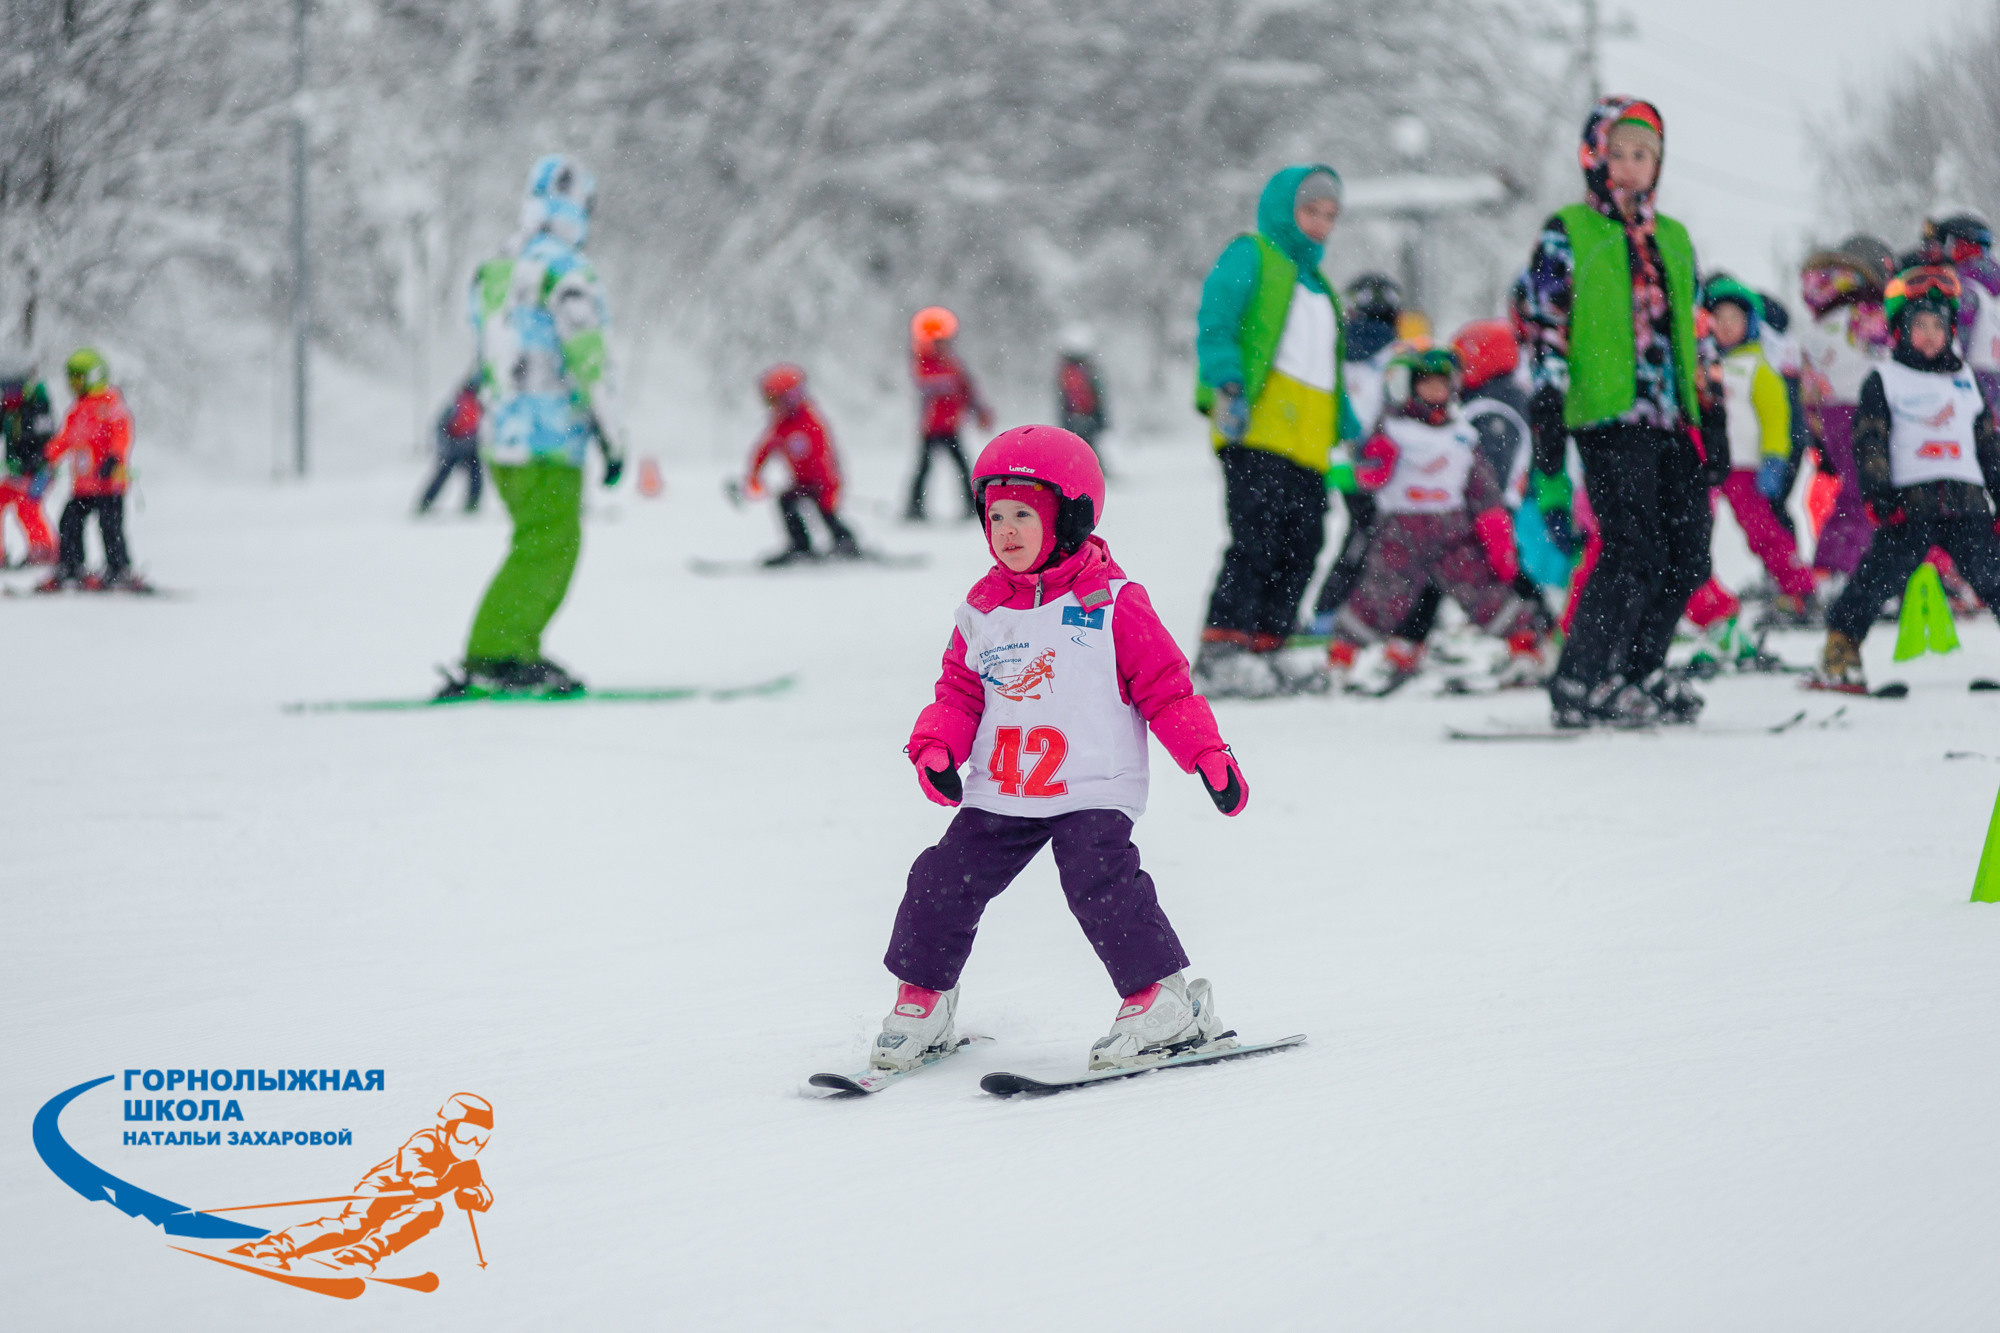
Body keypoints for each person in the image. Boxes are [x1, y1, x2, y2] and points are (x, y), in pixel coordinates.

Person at [876, 425, 1250, 1074]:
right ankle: (924, 997)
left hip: (1091, 784)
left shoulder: (1113, 603)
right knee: (941, 878)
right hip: (1006, 786)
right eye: (995, 516)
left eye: (1024, 514)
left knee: (1098, 880)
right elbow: (960, 692)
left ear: (1070, 517)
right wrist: (936, 745)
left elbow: (1167, 689)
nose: (1007, 531)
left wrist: (1207, 755)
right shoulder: (983, 608)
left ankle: (1161, 999)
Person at [1518, 97, 1719, 727]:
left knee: (1688, 553)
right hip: (1607, 414)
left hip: (1671, 416)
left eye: (1645, 155)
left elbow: (1699, 328)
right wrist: (1547, 397)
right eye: (1621, 154)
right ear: (1596, 158)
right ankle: (1581, 678)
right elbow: (1546, 319)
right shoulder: (1571, 230)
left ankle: (1639, 669)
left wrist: (1710, 408)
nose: (1633, 167)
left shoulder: (1675, 239)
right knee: (1630, 546)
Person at [447, 154, 625, 699]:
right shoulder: (566, 273)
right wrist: (611, 432)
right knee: (550, 543)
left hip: (502, 440)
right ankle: (497, 651)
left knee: (537, 540)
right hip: (551, 439)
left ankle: (512, 646)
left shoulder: (497, 266)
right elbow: (586, 353)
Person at [1192, 164, 1353, 697]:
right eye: (1310, 211)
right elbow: (1217, 319)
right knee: (1255, 539)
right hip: (1257, 427)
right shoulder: (1254, 253)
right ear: (1285, 209)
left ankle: (1269, 642)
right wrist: (1227, 383)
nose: (1320, 225)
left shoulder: (1322, 288)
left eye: (1330, 215)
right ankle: (1222, 649)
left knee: (1304, 543)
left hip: (1308, 441)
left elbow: (1325, 366)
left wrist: (1349, 424)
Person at [1814, 265, 2000, 692]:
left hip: (1966, 500)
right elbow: (1870, 440)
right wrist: (1878, 492)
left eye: (1939, 325)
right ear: (1900, 330)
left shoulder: (1966, 381)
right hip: (1909, 505)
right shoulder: (1885, 379)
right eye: (1920, 325)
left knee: (1993, 577)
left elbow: (1988, 445)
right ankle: (1840, 653)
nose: (1931, 334)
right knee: (1877, 579)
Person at [1326, 348, 1549, 689]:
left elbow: (1483, 493)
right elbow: (1368, 476)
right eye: (1426, 385)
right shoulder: (1393, 428)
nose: (1434, 392)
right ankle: (1340, 660)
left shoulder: (1462, 436)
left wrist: (1497, 537)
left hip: (1453, 534)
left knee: (1486, 592)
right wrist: (1367, 463)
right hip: (1401, 532)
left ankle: (1525, 652)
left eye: (1440, 385)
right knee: (1378, 595)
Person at [1681, 275, 1817, 648]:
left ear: (1749, 325)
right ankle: (1698, 602)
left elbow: (1776, 417)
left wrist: (1775, 459)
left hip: (1744, 466)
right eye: (1718, 320)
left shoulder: (1759, 366)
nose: (1725, 328)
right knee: (1691, 535)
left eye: (1734, 320)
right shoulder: (1703, 365)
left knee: (1763, 531)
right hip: (1705, 467)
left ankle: (1798, 589)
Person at [231, 1093, 494, 1274]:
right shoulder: (425, 1141)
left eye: (481, 1138)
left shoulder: (467, 1165)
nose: (472, 1145)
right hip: (382, 1189)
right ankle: (270, 1247)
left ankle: (360, 1255)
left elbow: (480, 1192)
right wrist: (424, 1178)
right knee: (353, 1226)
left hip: (413, 1200)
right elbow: (414, 1162)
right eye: (466, 1134)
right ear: (445, 1128)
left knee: (430, 1211)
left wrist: (475, 1195)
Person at [1305, 271, 1401, 635]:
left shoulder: (1334, 353)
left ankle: (1332, 613)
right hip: (1385, 464)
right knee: (1377, 538)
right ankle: (1346, 615)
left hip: (1344, 461)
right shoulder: (1395, 355)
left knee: (1360, 537)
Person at [1797, 240, 1894, 588]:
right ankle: (1845, 568)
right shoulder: (1866, 315)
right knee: (1864, 491)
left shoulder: (1816, 330)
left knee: (1851, 490)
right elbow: (1893, 351)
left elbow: (1808, 389)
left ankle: (1834, 565)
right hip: (1868, 408)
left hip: (1833, 414)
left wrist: (1818, 433)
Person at [38, 348, 142, 593]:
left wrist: (115, 458)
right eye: (71, 379)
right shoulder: (77, 410)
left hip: (108, 483)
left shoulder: (110, 404)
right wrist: (46, 457)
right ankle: (71, 567)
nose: (74, 384)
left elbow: (121, 433)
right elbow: (65, 439)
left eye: (78, 378)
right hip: (84, 485)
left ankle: (119, 569)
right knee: (70, 521)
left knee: (110, 526)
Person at [743, 362, 859, 565]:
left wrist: (825, 487)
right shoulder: (781, 425)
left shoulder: (810, 423)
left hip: (822, 483)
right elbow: (764, 449)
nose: (772, 406)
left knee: (826, 512)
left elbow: (823, 458)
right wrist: (754, 474)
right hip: (805, 482)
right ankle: (802, 545)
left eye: (774, 400)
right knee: (788, 502)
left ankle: (844, 541)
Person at [905, 306, 992, 521]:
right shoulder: (924, 361)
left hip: (951, 426)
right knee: (925, 468)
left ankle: (972, 506)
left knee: (962, 469)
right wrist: (949, 386)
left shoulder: (952, 363)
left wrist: (980, 410)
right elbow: (926, 384)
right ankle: (915, 507)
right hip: (932, 427)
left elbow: (967, 389)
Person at [1927, 214, 2000, 406]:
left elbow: (1950, 352)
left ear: (1958, 247)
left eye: (1944, 246)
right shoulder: (1992, 288)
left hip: (1973, 395)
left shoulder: (1963, 292)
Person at [0, 359, 57, 566]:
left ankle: (43, 550)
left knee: (27, 506)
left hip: (39, 473)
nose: (8, 395)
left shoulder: (38, 408)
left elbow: (48, 445)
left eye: (13, 390)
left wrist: (34, 468)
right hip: (16, 473)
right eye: (4, 390)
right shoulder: (8, 409)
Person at [415, 374, 484, 514]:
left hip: (463, 445)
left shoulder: (468, 403)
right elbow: (443, 425)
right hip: (459, 445)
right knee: (465, 475)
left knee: (466, 474)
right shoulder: (464, 403)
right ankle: (471, 503)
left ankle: (427, 502)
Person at [1054, 324, 1109, 456]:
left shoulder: (1066, 372)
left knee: (1076, 445)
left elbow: (1062, 398)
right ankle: (1094, 467)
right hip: (1087, 415)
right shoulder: (1087, 371)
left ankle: (1080, 466)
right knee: (1088, 445)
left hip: (1073, 415)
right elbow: (1098, 395)